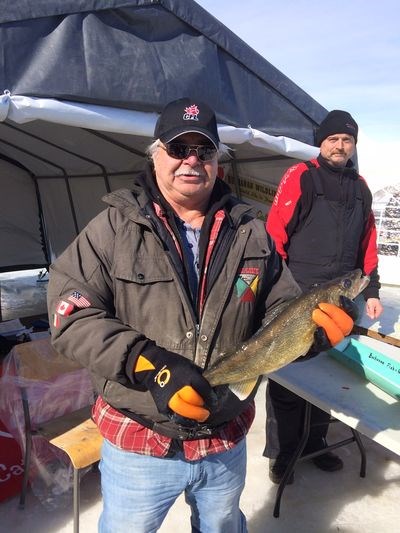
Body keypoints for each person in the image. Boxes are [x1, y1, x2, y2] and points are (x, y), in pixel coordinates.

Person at [47, 98, 355, 532]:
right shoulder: (112, 228)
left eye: (204, 150)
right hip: (141, 438)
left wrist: (311, 331)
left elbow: (280, 305)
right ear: (156, 155)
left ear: (218, 163)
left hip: (224, 435)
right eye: (178, 148)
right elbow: (72, 313)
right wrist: (149, 365)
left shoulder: (252, 233)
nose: (191, 160)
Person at [263, 109, 384, 485]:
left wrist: (373, 289)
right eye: (333, 138)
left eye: (347, 140)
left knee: (327, 373)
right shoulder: (302, 176)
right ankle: (283, 453)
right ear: (322, 142)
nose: (340, 145)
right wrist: (273, 288)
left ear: (353, 146)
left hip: (341, 296)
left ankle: (316, 441)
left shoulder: (360, 186)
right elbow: (274, 233)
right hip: (297, 292)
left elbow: (368, 243)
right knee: (288, 374)